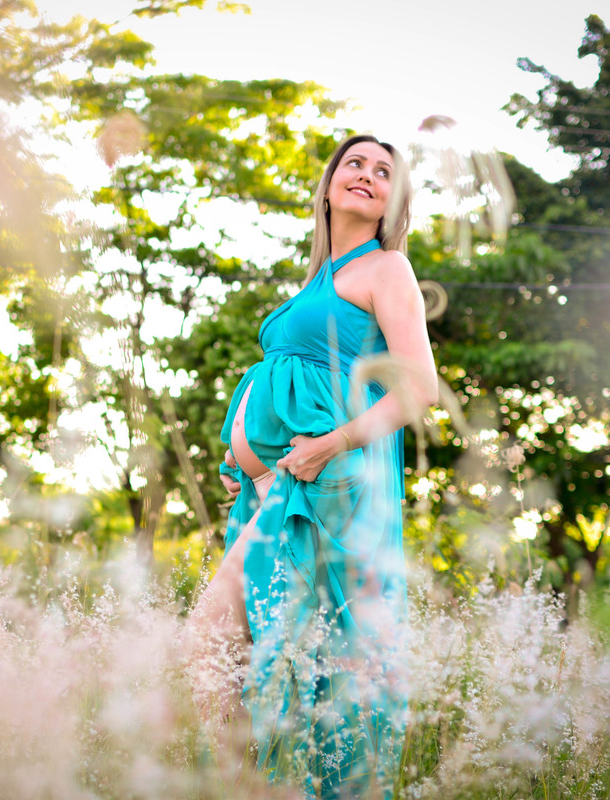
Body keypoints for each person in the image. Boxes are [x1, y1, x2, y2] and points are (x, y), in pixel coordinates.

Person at [186, 134, 439, 798]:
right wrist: (245, 451)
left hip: (326, 484)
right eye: (354, 163)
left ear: (392, 203)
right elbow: (290, 376)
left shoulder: (387, 268)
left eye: (384, 172)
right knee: (261, 656)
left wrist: (333, 443)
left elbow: (418, 388)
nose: (367, 174)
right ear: (328, 186)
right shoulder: (319, 280)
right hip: (278, 483)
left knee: (230, 639)